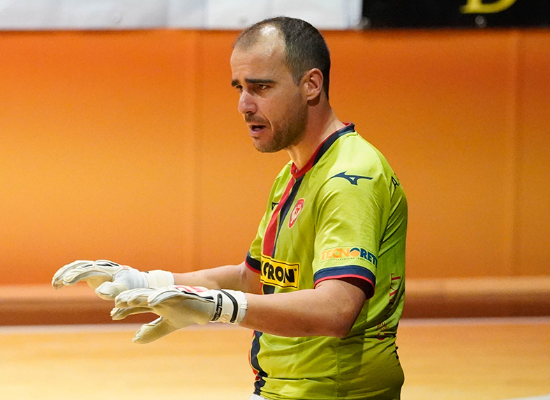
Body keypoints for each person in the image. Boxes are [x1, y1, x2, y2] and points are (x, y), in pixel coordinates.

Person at [52, 16, 408, 400]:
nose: (243, 105)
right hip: (285, 389)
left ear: (311, 84)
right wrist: (148, 282)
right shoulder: (295, 173)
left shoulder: (350, 177)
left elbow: (336, 310)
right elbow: (253, 280)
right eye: (239, 87)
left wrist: (220, 308)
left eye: (261, 87)